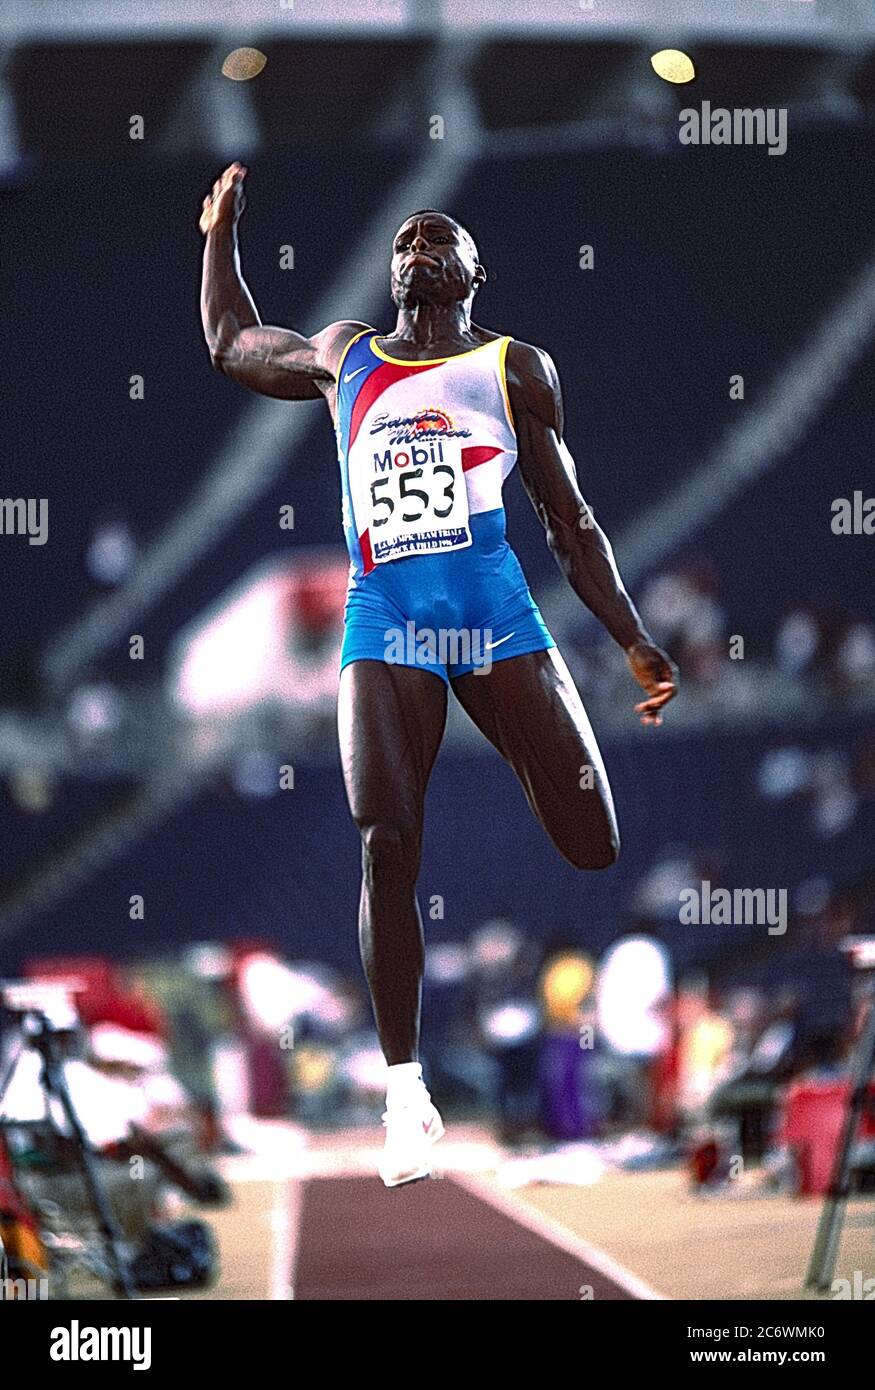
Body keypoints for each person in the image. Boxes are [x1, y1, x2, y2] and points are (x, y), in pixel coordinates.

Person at [199, 163, 678, 1186]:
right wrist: (220, 232)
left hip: (497, 620)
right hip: (388, 623)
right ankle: (404, 1092)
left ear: (472, 271)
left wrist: (632, 637)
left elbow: (570, 521)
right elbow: (231, 344)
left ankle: (514, 739)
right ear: (391, 271)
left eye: (437, 234)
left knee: (592, 843)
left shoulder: (515, 367)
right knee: (384, 838)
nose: (416, 238)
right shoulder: (344, 356)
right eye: (404, 235)